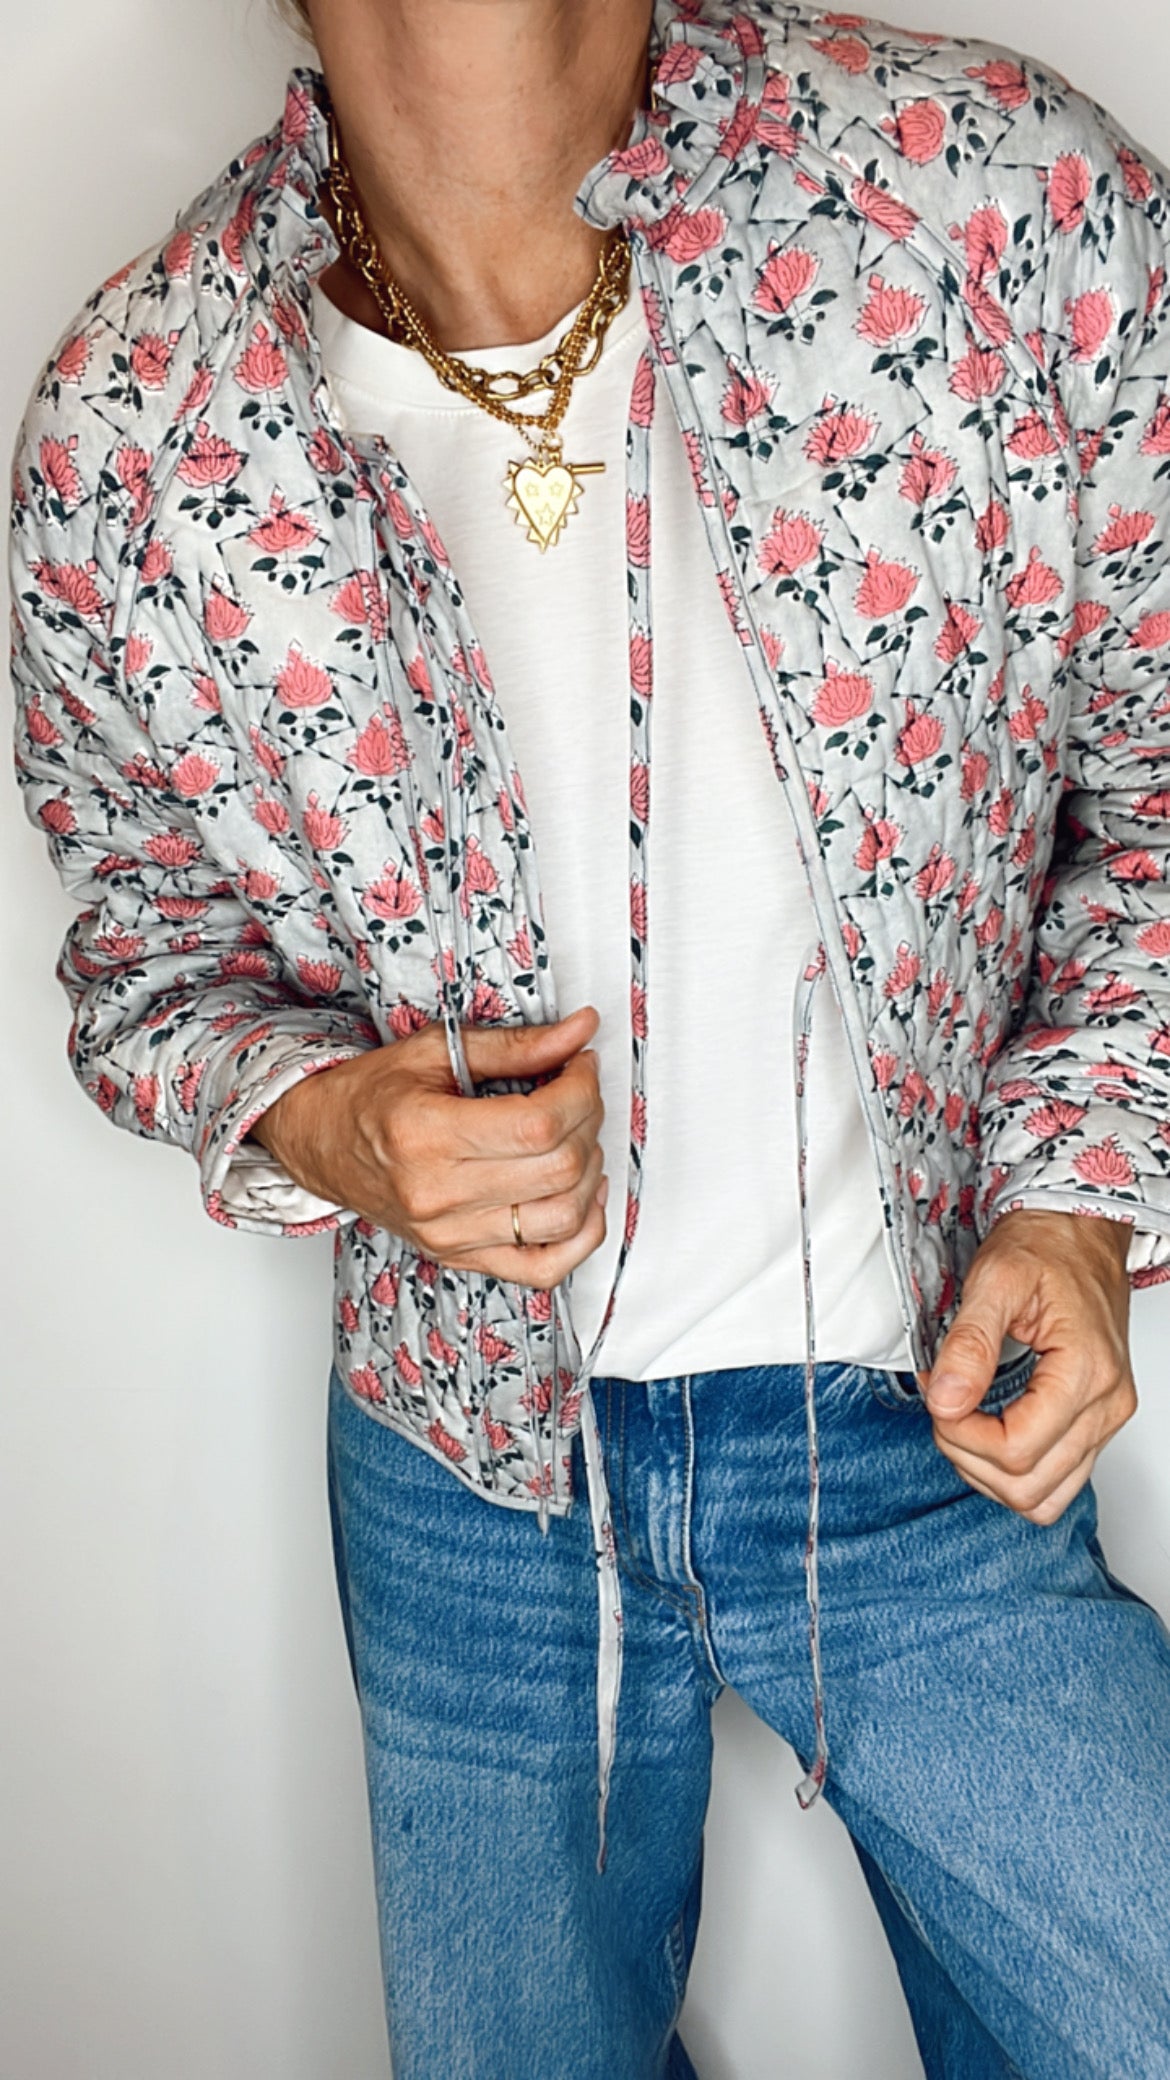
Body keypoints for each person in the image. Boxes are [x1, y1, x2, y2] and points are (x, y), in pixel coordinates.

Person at [11, 0, 1170, 2070]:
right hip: (469, 1475)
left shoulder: (996, 204)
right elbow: (143, 953)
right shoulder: (139, 422)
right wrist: (325, 1119)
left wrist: (1076, 1198)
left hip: (929, 1425)